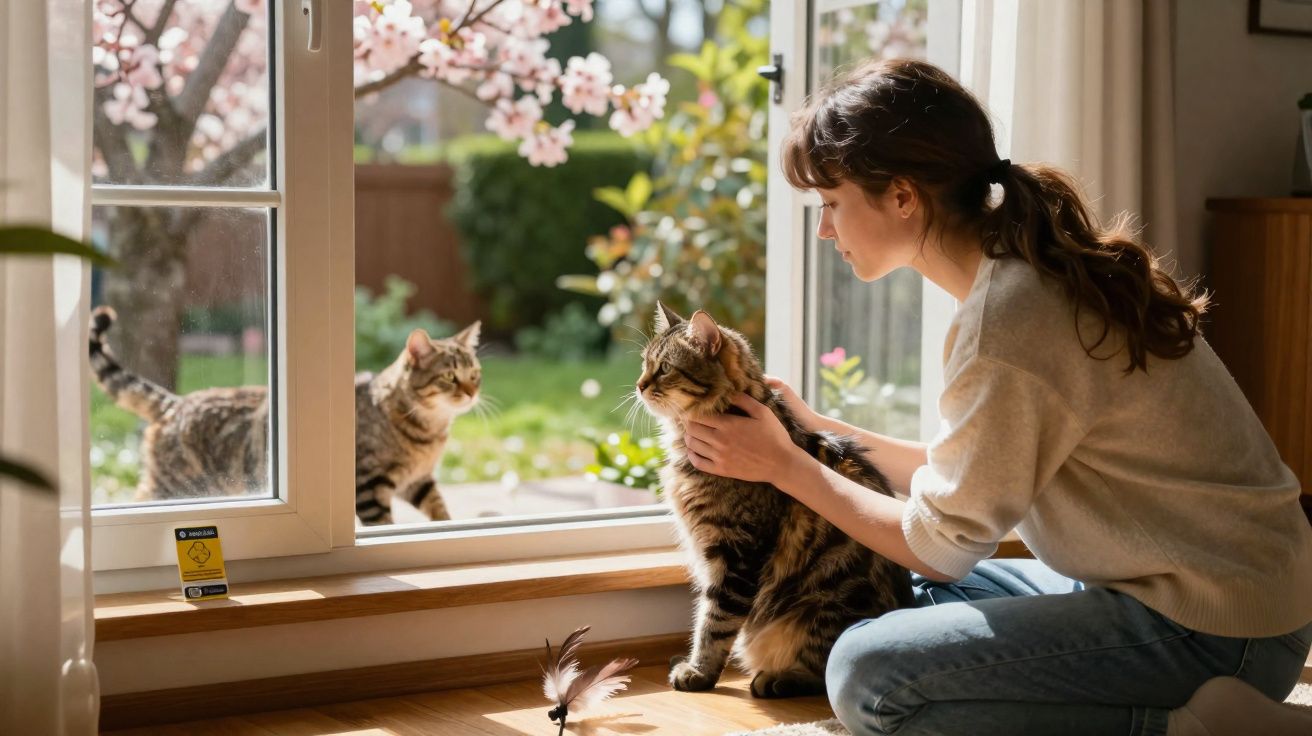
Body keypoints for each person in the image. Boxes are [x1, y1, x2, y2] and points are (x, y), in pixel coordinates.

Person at [681, 58, 1312, 736]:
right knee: (903, 599)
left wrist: (785, 465)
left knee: (866, 671)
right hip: (1182, 596)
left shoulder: (1009, 321)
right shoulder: (1021, 281)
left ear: (901, 196)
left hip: (1219, 630)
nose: (824, 231)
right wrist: (816, 428)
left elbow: (940, 544)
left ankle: (1191, 727)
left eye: (831, 205)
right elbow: (969, 478)